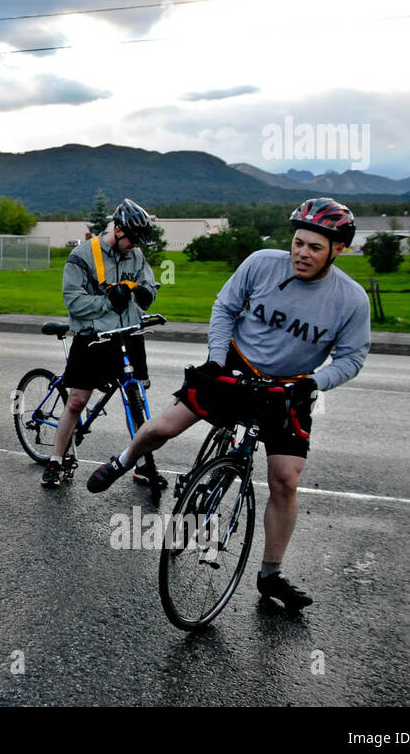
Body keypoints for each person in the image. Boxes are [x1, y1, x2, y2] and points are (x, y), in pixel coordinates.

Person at [86, 198, 370, 610]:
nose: (302, 254)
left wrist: (314, 383)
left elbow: (352, 357)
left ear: (337, 250)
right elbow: (224, 308)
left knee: (285, 480)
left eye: (314, 248)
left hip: (293, 386)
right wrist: (217, 358)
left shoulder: (350, 299)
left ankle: (271, 575)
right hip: (234, 363)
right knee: (164, 427)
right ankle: (124, 459)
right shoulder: (260, 263)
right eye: (298, 243)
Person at [41, 198, 159, 488]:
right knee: (78, 401)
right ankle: (56, 460)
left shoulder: (136, 254)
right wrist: (109, 300)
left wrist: (147, 295)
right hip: (93, 338)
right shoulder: (82, 256)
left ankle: (143, 465)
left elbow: (149, 284)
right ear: (117, 230)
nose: (136, 244)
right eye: (132, 238)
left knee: (136, 402)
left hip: (128, 336)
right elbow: (74, 301)